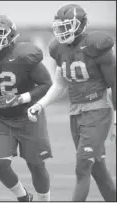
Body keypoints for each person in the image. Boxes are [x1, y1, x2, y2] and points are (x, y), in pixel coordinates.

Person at [27, 3, 116, 202]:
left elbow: (114, 84)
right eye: (61, 26)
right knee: (98, 169)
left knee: (83, 166)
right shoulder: (58, 49)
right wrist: (40, 104)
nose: (63, 31)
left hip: (97, 111)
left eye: (68, 26)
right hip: (76, 113)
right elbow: (60, 84)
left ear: (82, 25)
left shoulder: (97, 46)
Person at [0, 15, 52, 201]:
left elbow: (47, 84)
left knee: (36, 165)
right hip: (1, 117)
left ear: (11, 36)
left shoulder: (24, 56)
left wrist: (20, 99)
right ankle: (23, 197)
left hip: (29, 116)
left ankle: (44, 200)